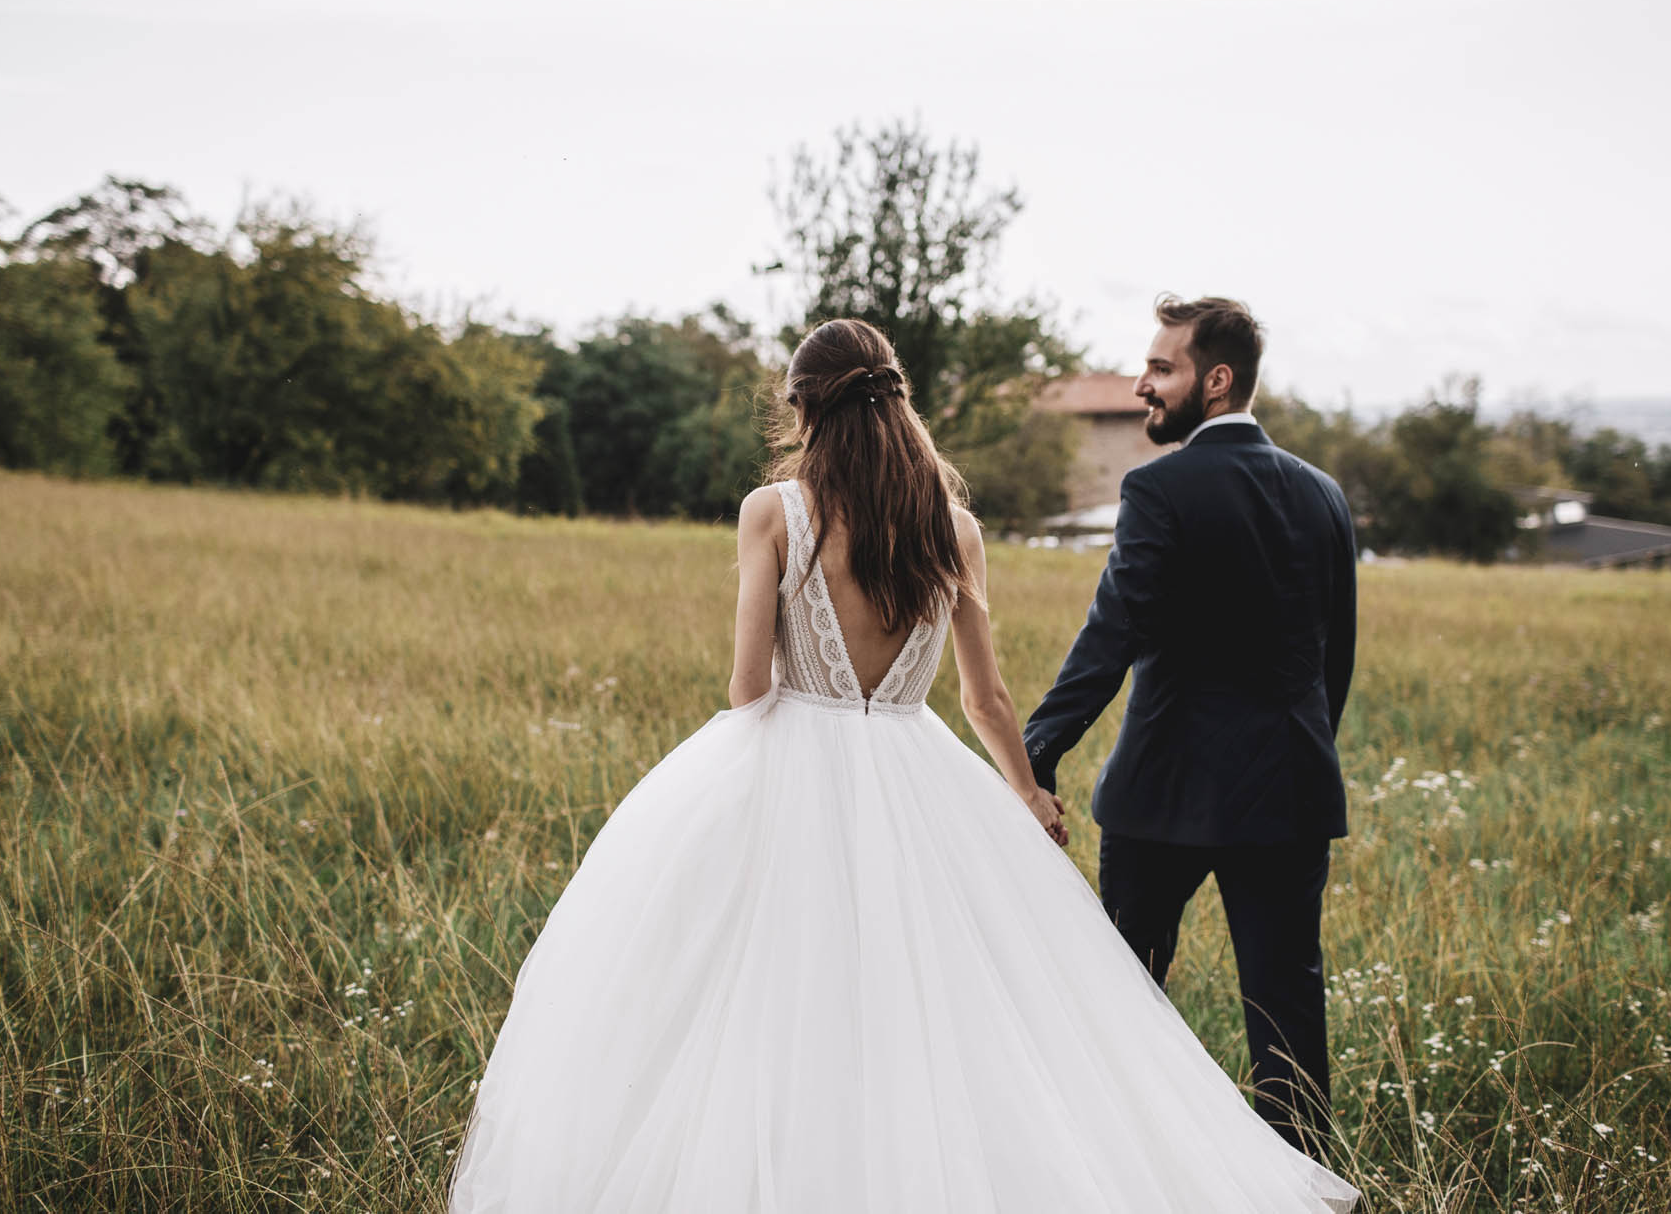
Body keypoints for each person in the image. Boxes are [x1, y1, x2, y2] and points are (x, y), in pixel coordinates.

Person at [446, 317, 1358, 1212]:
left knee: (764, 986)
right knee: (931, 996)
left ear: (806, 409)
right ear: (898, 403)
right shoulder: (954, 528)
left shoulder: (773, 512)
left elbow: (747, 688)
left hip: (788, 763)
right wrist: (1026, 790)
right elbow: (985, 699)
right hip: (921, 769)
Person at [1023, 295, 1358, 1158]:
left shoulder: (1157, 489)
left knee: (1120, 996)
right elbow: (1334, 664)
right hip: (1289, 792)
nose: (1142, 385)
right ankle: (1306, 1187)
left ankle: (1112, 1165)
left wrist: (1033, 753)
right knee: (1288, 1016)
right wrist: (1296, 752)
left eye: (1161, 368)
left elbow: (1111, 636)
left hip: (1161, 796)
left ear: (1216, 380)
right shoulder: (1323, 494)